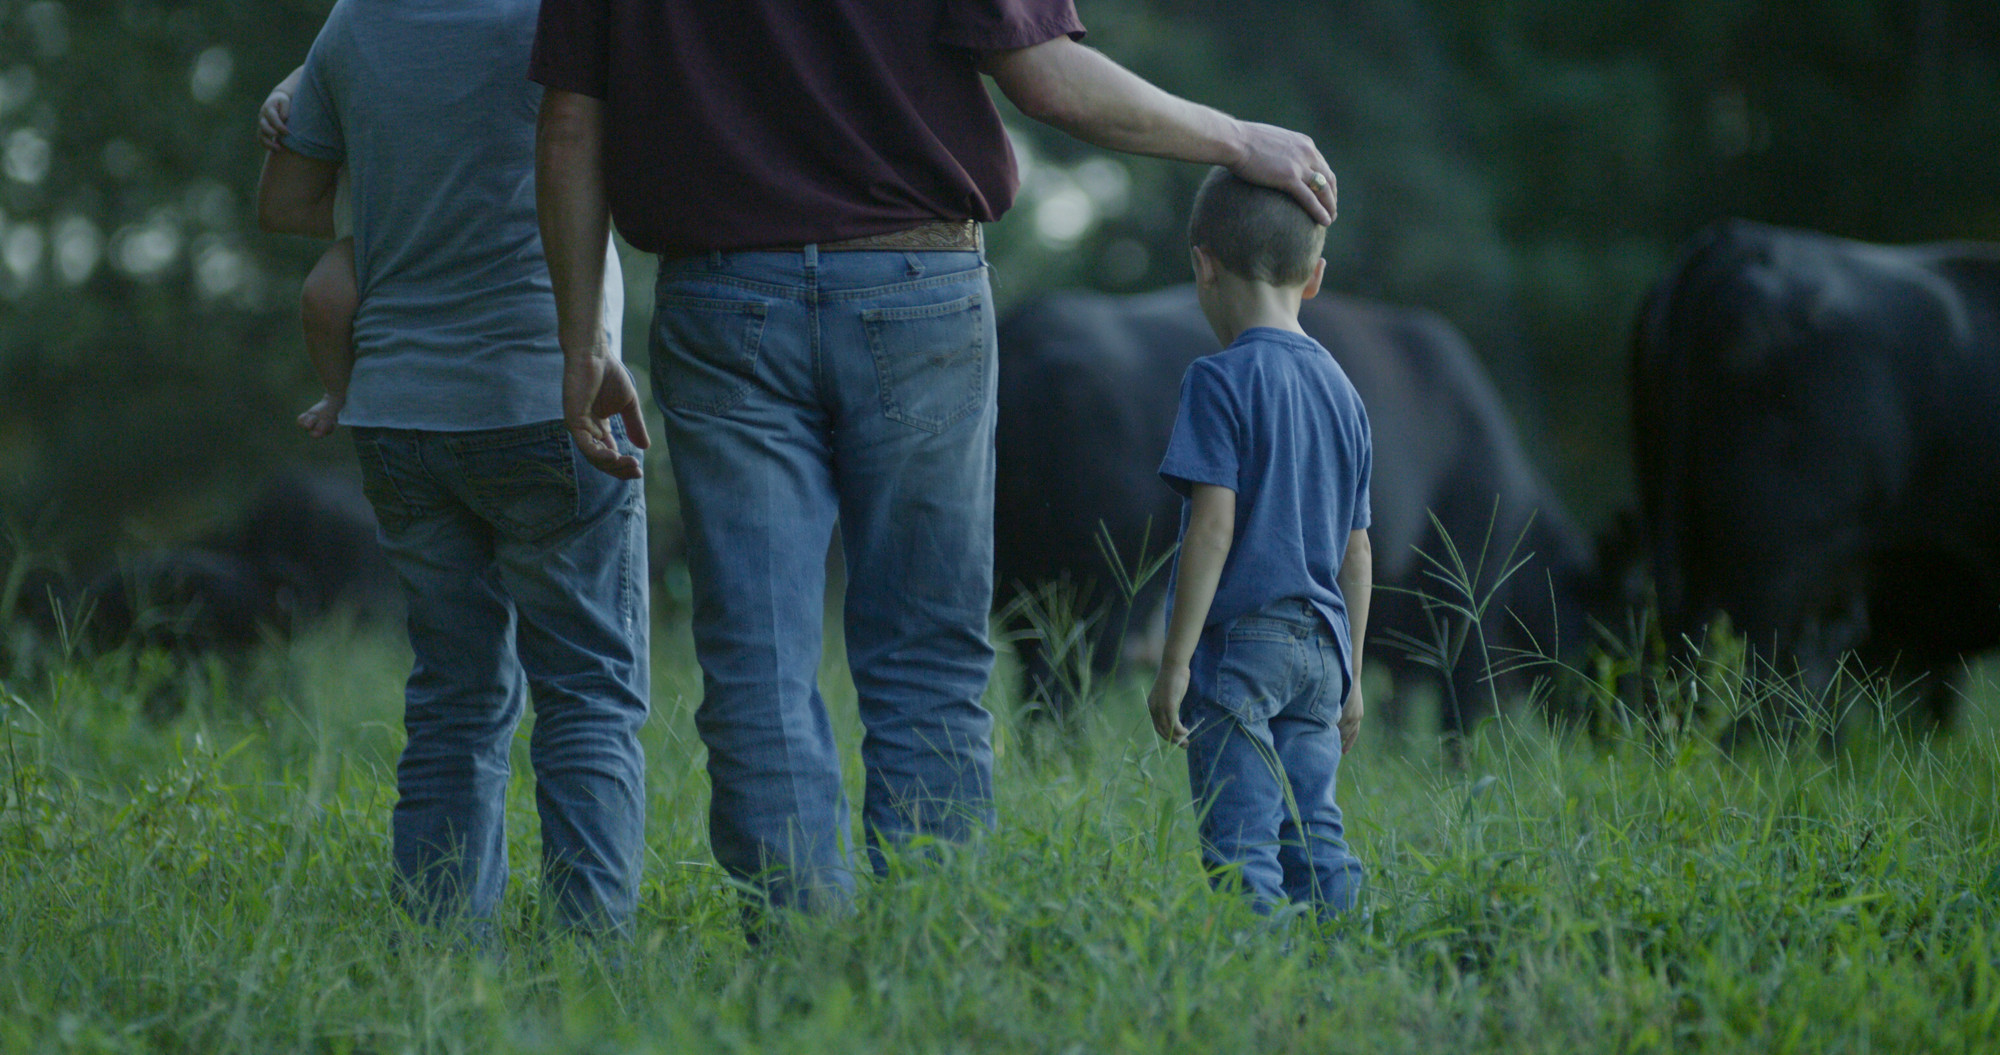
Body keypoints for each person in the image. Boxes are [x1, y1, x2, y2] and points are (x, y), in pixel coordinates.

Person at [530, 0, 1339, 914]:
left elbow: (568, 121)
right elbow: (1049, 79)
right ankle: (925, 946)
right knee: (928, 652)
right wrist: (1237, 140)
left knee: (755, 654)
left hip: (723, 297)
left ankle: (807, 956)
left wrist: (578, 343)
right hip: (916, 288)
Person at [255, 0, 649, 937]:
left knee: (452, 700)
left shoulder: (355, 25)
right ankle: (589, 966)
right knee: (587, 690)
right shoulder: (569, 16)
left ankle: (438, 958)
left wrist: (392, 191)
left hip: (396, 413)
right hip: (548, 396)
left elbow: (285, 204)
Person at [1147, 167, 1372, 919]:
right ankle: (1348, 969)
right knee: (1317, 833)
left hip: (1244, 649)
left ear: (1203, 263)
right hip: (1322, 650)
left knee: (1241, 844)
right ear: (1315, 278)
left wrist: (1174, 660)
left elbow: (1212, 526)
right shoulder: (1345, 391)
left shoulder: (1219, 379)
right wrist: (1355, 671)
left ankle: (1256, 994)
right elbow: (1357, 551)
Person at [258, 65, 354, 439]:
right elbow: (320, 63)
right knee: (322, 296)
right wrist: (282, 94)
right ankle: (338, 391)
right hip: (365, 228)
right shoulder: (355, 24)